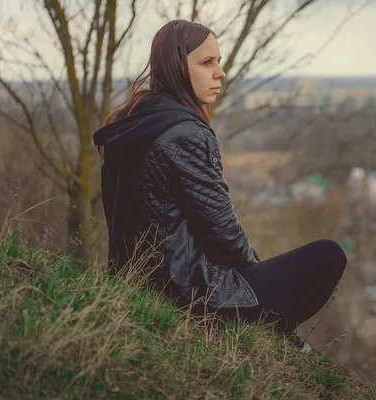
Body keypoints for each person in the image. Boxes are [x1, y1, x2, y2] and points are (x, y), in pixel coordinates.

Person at [92, 20, 347, 350]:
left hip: (137, 283)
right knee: (328, 255)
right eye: (207, 62)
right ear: (177, 66)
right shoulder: (187, 134)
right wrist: (259, 277)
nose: (220, 72)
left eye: (219, 61)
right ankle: (276, 335)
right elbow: (223, 232)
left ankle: (277, 333)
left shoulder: (131, 121)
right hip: (186, 295)